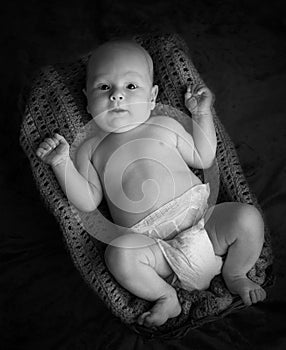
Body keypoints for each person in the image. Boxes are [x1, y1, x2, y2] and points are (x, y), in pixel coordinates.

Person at [36, 40, 266, 327]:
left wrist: (201, 114)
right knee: (118, 255)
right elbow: (87, 201)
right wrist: (61, 163)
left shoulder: (165, 125)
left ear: (153, 96)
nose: (117, 96)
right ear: (86, 99)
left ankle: (236, 273)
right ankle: (165, 296)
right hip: (152, 247)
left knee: (247, 217)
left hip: (204, 224)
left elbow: (203, 156)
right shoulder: (89, 149)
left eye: (131, 87)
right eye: (104, 87)